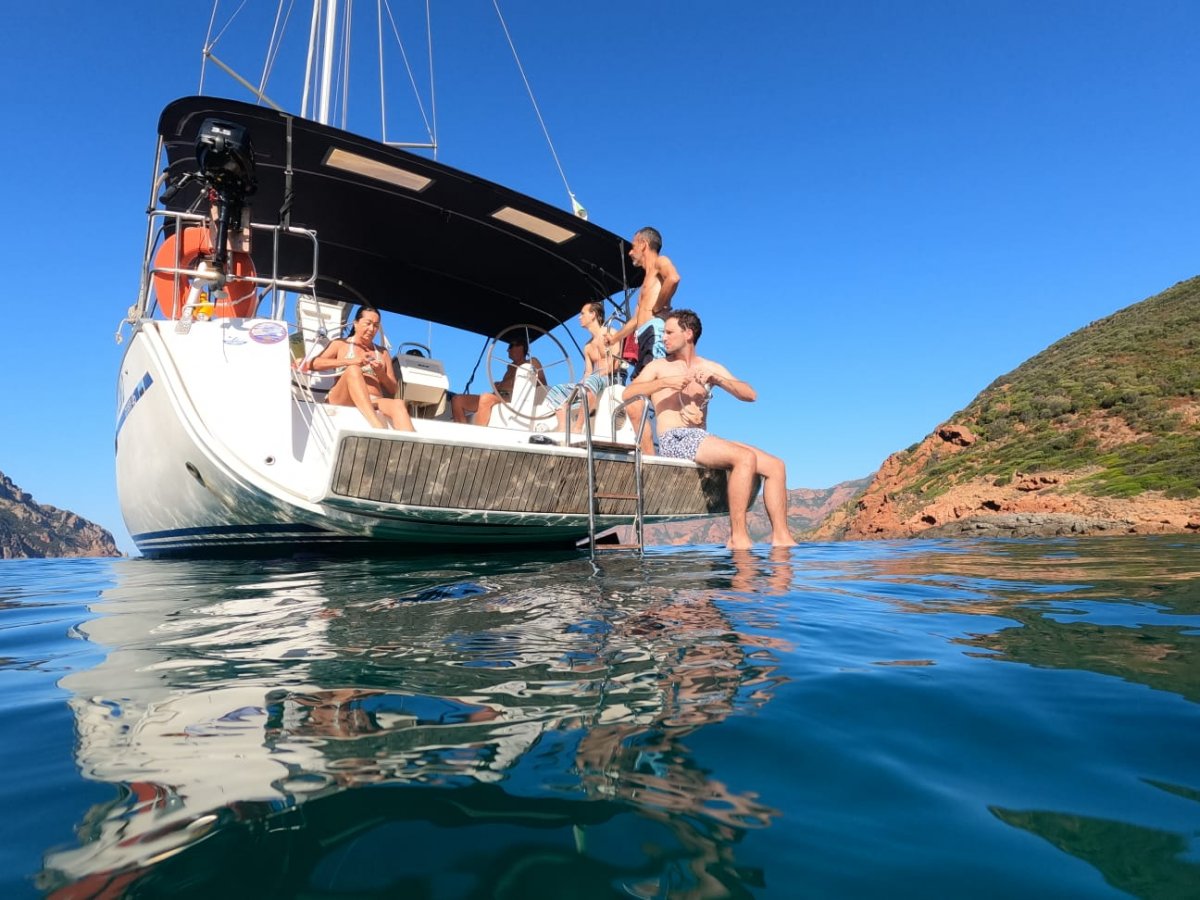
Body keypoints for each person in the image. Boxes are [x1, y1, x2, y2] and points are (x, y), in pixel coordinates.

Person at [624, 308, 796, 549]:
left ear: (688, 334)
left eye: (669, 332)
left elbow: (750, 395)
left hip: (703, 437)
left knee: (776, 466)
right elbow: (627, 393)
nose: (664, 338)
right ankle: (738, 537)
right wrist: (665, 383)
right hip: (675, 438)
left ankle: (782, 538)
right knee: (744, 458)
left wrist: (718, 380)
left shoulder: (709, 366)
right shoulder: (659, 367)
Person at [307, 305, 414, 431]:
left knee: (398, 404)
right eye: (367, 323)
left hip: (374, 401)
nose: (371, 329)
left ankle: (414, 447)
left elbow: (394, 389)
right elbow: (313, 364)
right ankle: (378, 428)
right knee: (353, 369)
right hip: (343, 399)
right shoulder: (341, 344)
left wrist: (380, 373)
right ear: (356, 323)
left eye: (375, 325)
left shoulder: (382, 352)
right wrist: (351, 361)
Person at [605, 226, 681, 373]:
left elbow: (673, 278)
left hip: (654, 332)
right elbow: (635, 320)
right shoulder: (646, 282)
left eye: (633, 247)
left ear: (644, 244)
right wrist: (614, 339)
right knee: (641, 387)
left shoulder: (661, 261)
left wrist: (658, 305)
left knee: (649, 384)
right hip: (643, 337)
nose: (630, 252)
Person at [541, 301, 621, 433]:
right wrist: (577, 387)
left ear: (593, 315)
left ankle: (578, 428)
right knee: (557, 390)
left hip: (609, 378)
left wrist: (591, 380)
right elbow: (588, 372)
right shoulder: (587, 346)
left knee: (590, 382)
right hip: (593, 380)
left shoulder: (611, 333)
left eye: (582, 313)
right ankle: (563, 428)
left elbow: (615, 365)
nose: (579, 317)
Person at [451, 337, 544, 426]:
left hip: (511, 399)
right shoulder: (509, 367)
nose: (507, 350)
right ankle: (462, 437)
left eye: (510, 346)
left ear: (521, 347)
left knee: (486, 398)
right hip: (497, 396)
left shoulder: (532, 362)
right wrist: (499, 385)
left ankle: (477, 436)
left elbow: (542, 386)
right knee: (457, 400)